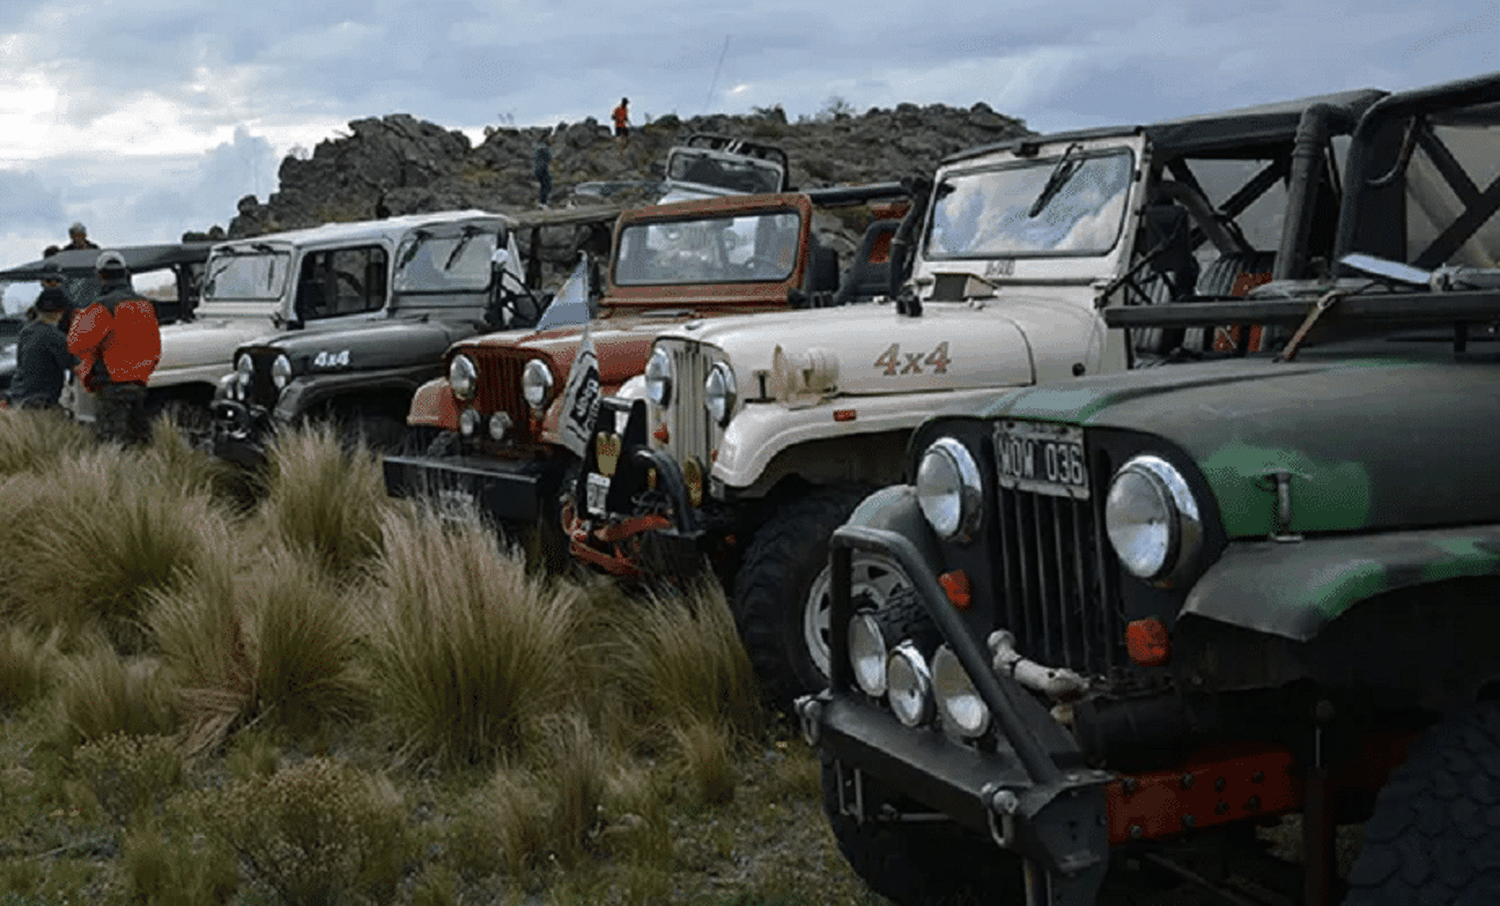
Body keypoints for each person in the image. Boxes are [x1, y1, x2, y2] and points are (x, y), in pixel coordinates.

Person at [67, 250, 160, 444]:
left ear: (100, 276)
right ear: (125, 273)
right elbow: (155, 348)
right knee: (139, 443)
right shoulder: (145, 305)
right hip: (139, 384)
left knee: (112, 444)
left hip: (111, 385)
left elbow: (76, 344)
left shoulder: (102, 307)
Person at [6, 282, 73, 409]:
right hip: (40, 402)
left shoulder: (26, 332)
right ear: (61, 312)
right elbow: (71, 363)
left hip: (19, 397)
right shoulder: (55, 336)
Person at [533, 132, 553, 206]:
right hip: (543, 169)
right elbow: (548, 158)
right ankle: (543, 203)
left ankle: (542, 203)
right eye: (549, 137)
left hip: (538, 169)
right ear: (545, 138)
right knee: (547, 185)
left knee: (544, 186)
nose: (551, 139)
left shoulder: (539, 146)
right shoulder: (544, 147)